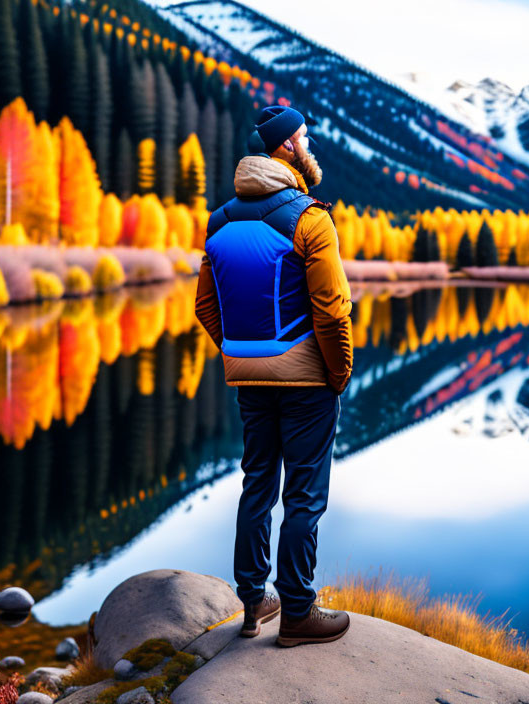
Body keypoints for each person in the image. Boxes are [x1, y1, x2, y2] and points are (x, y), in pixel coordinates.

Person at [194, 105, 353, 647]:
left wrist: (242, 352)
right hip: (308, 380)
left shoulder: (219, 219)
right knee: (304, 495)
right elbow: (331, 310)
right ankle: (299, 613)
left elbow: (205, 307)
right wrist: (339, 372)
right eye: (306, 138)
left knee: (257, 484)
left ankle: (252, 601)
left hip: (250, 381)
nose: (311, 146)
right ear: (287, 148)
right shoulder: (311, 218)